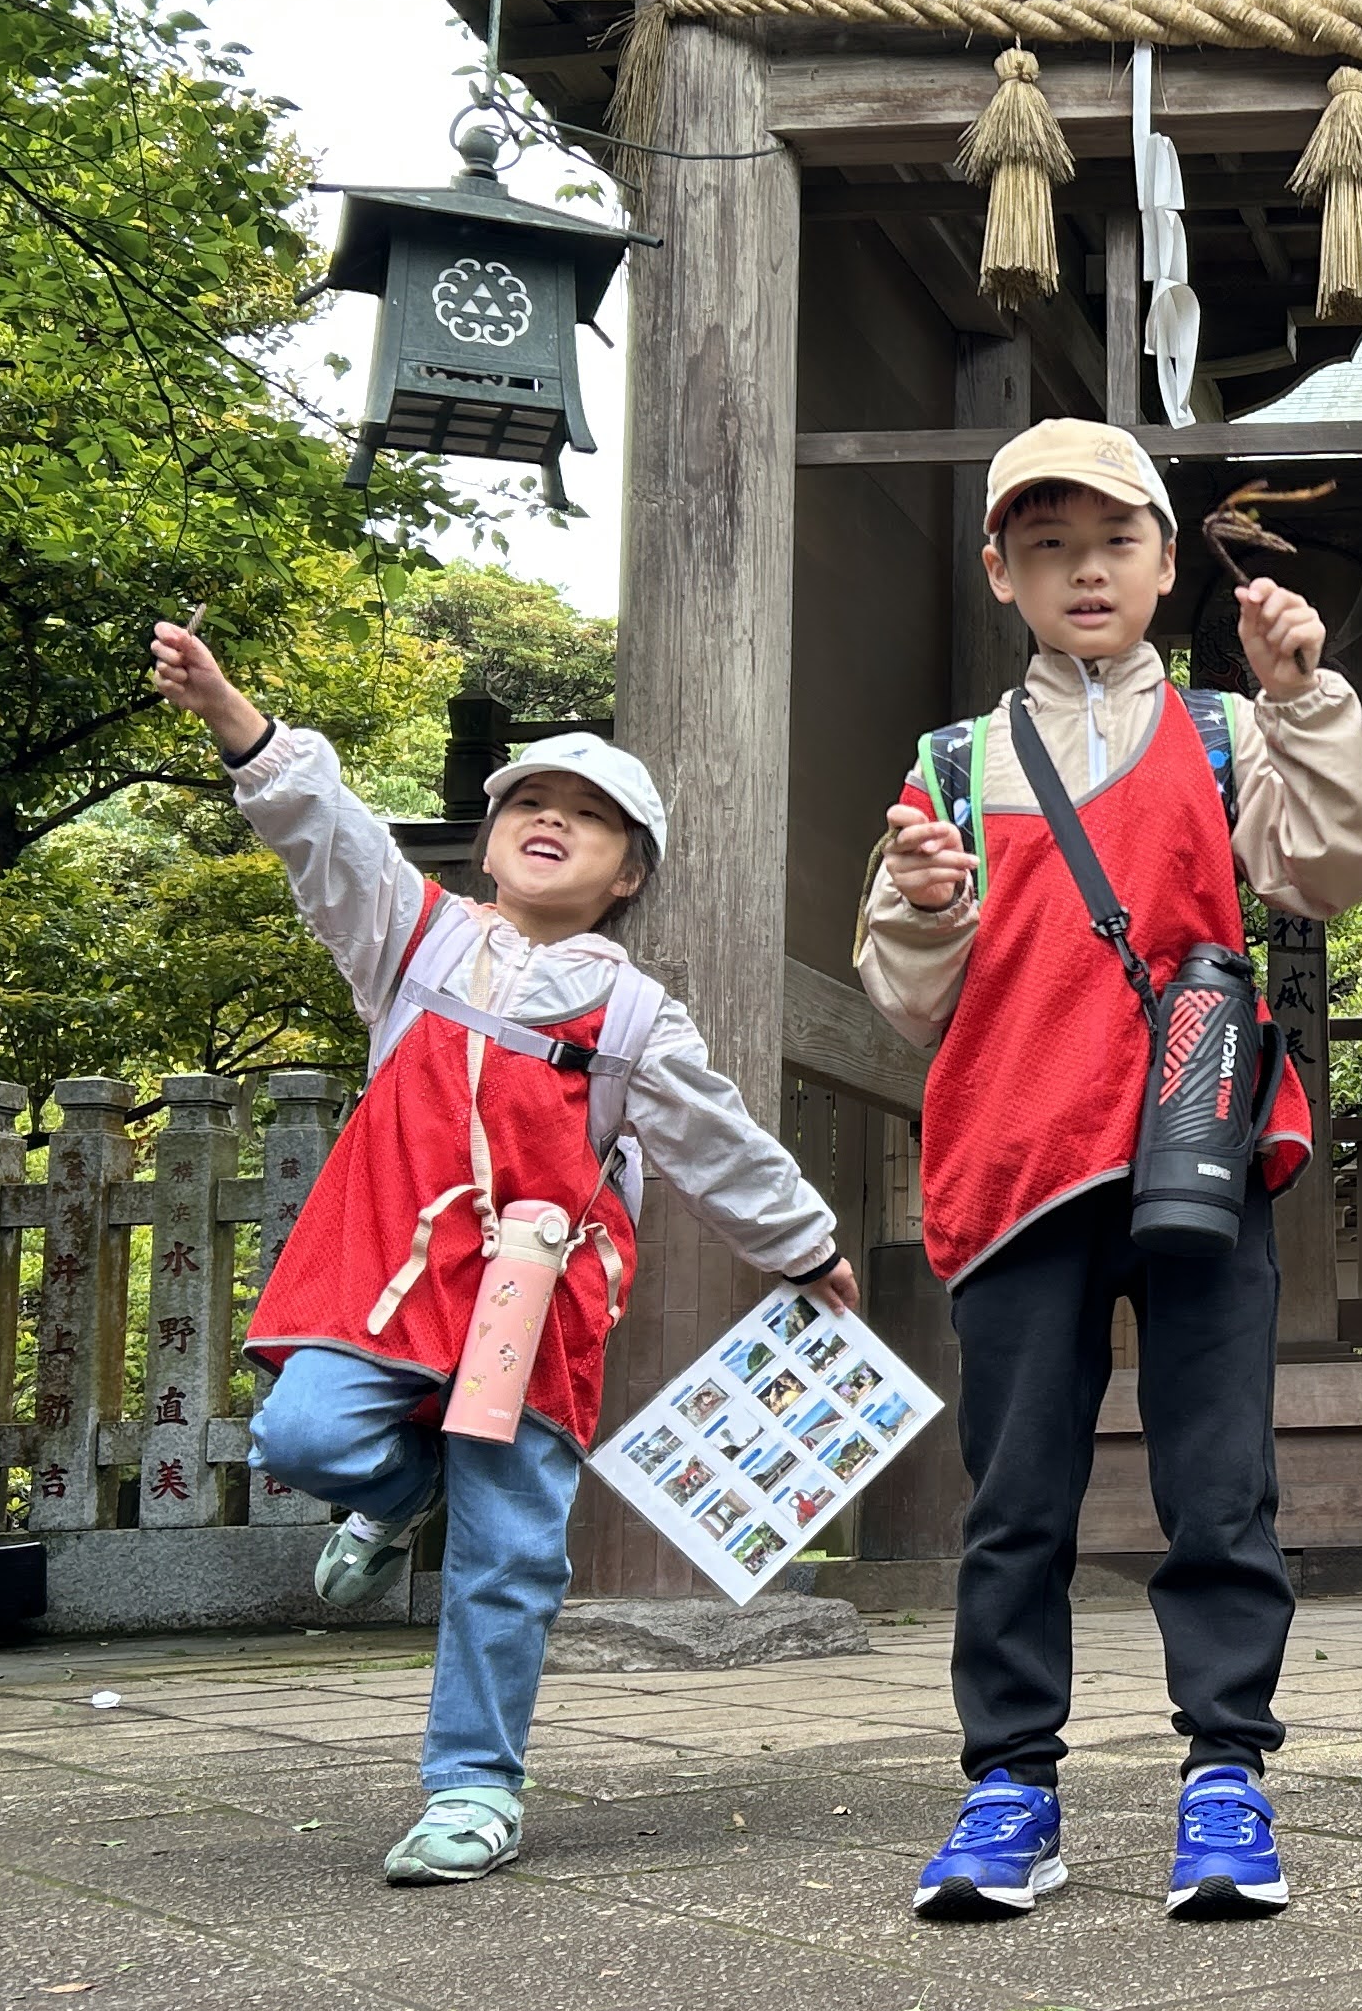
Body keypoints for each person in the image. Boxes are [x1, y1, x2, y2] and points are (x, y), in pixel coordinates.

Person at [148, 624, 853, 1885]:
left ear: (629, 871)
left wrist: (803, 1247)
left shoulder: (637, 1014)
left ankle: (472, 1788)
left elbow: (716, 1139)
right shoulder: (409, 944)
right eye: (529, 799)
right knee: (306, 1437)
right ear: (488, 835)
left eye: (588, 815)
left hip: (537, 1301)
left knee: (512, 1551)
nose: (550, 819)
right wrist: (235, 719)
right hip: (394, 1277)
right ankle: (396, 1489)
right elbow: (329, 833)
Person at [859, 421, 1362, 1926]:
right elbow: (906, 995)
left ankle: (1225, 1773)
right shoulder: (952, 766)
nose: (1082, 571)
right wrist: (921, 907)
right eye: (1046, 545)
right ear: (1000, 572)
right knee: (1014, 1497)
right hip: (1015, 1158)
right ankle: (1007, 1787)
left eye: (1113, 542)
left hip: (1190, 1151)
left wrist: (1306, 699)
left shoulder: (1230, 736)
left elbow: (1336, 871)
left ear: (1169, 563)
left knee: (1220, 1486)